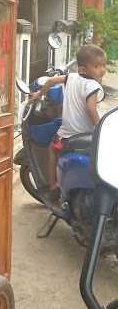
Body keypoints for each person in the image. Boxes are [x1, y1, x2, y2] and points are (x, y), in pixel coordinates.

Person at [33, 43, 106, 199]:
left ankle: (53, 186)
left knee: (52, 150)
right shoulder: (93, 86)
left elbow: (51, 81)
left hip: (65, 137)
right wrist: (100, 128)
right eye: (97, 66)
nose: (102, 70)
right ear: (83, 69)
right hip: (85, 138)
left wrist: (39, 94)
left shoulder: (70, 78)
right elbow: (91, 109)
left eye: (103, 66)